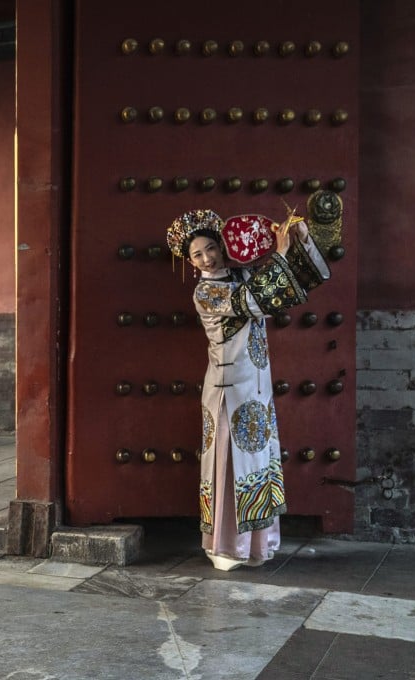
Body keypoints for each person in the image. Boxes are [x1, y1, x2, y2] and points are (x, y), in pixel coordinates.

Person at [166, 207, 330, 571]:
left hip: (256, 386)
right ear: (191, 262)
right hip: (229, 390)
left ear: (222, 245)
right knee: (228, 463)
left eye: (210, 247)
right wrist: (282, 253)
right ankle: (225, 546)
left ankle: (257, 545)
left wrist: (296, 238)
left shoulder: (243, 274)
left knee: (256, 461)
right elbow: (256, 301)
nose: (207, 257)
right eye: (197, 254)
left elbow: (291, 285)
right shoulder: (207, 292)